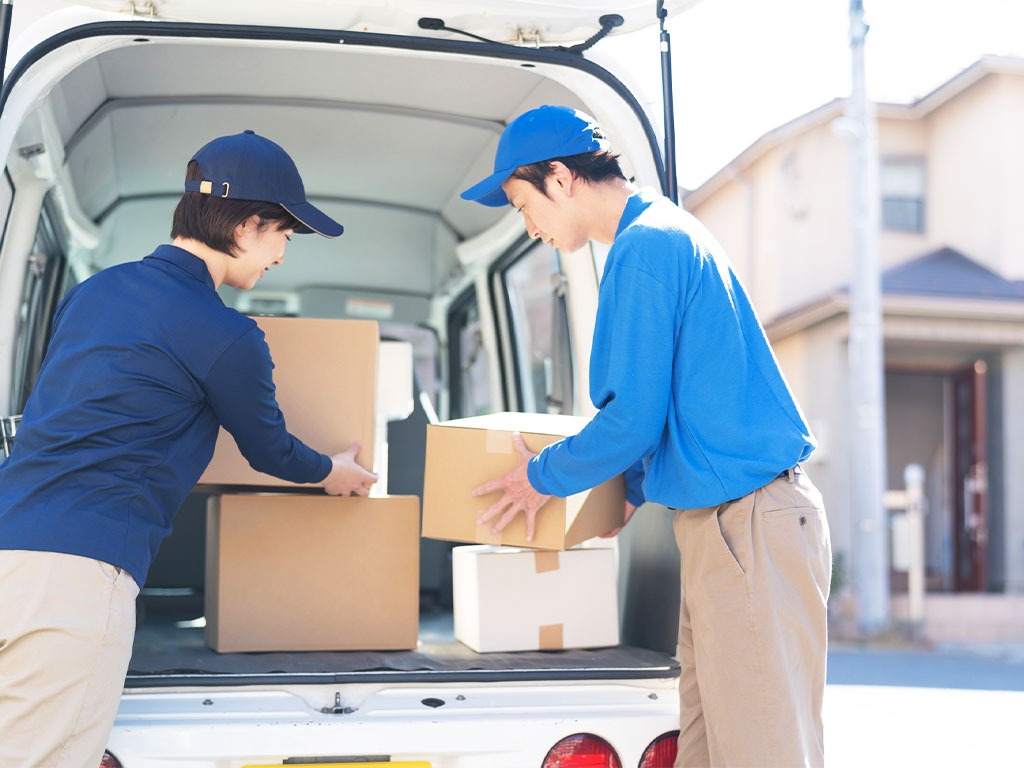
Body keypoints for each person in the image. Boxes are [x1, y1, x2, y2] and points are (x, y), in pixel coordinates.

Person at [463, 105, 832, 768]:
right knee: (707, 746)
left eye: (523, 206)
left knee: (760, 750)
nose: (530, 227)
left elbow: (630, 418)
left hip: (748, 521)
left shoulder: (644, 249)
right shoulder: (660, 234)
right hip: (731, 525)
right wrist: (631, 490)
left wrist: (537, 478)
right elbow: (671, 398)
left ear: (560, 178)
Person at [0, 130, 378, 767]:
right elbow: (269, 450)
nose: (282, 254)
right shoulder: (226, 334)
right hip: (75, 579)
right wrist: (331, 471)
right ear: (248, 225)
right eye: (286, 234)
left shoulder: (92, 293)